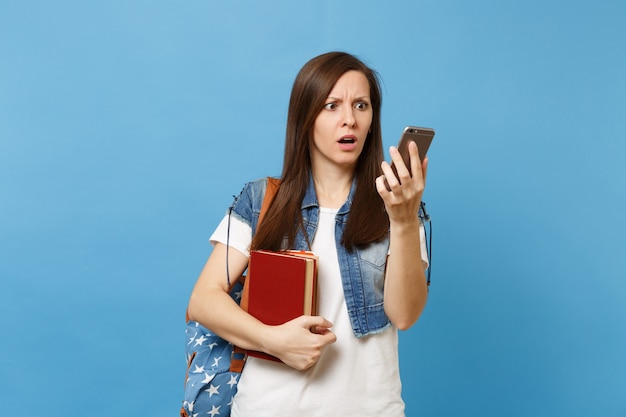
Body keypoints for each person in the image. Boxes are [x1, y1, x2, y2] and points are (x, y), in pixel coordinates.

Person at [187, 51, 430, 417]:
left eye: (361, 105)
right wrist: (274, 341)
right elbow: (203, 300)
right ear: (306, 117)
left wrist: (404, 219)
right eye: (331, 105)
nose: (349, 119)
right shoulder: (261, 200)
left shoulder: (397, 206)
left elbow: (405, 315)